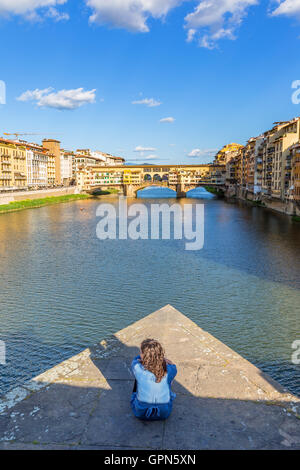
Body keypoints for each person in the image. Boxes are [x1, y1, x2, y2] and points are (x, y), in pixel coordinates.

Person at [130, 338, 177, 421]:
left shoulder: (137, 367)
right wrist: (162, 359)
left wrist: (142, 359)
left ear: (144, 356)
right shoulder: (170, 370)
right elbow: (173, 366)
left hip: (140, 412)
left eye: (140, 352)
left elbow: (135, 360)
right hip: (164, 413)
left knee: (139, 379)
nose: (139, 353)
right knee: (168, 380)